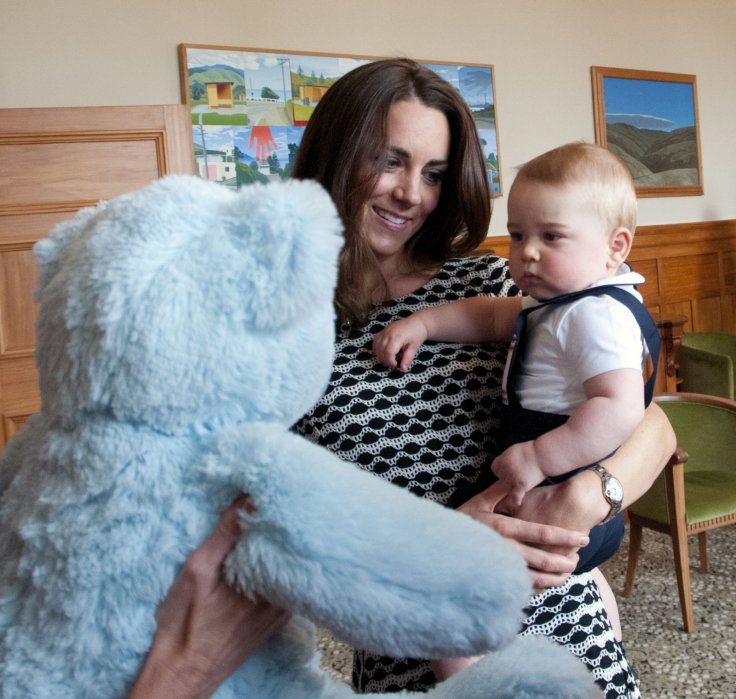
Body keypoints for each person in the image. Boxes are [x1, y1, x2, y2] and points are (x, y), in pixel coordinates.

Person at [138, 58, 674, 698]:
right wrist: (441, 547)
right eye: (390, 162)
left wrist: (592, 493)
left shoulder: (496, 284)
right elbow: (256, 539)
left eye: (434, 174)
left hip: (569, 625)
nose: (411, 194)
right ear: (338, 155)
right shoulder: (278, 331)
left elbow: (652, 421)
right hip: (415, 659)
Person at [372, 141, 661, 676]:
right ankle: (602, 622)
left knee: (457, 587)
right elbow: (489, 318)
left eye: (551, 236)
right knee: (574, 576)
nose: (527, 252)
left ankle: (465, 676)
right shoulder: (558, 299)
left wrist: (541, 460)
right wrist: (425, 325)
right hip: (568, 484)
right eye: (519, 234)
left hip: (561, 471)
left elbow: (626, 409)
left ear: (614, 247)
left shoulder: (593, 316)